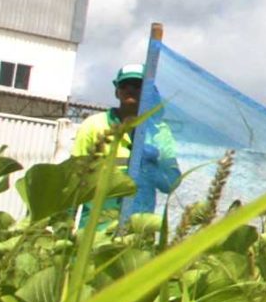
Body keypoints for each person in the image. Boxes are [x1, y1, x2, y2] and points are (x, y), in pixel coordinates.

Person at [72, 66, 183, 222]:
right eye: (124, 85)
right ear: (117, 91)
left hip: (138, 228)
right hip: (97, 227)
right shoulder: (93, 125)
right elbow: (74, 178)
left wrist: (149, 168)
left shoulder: (160, 131)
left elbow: (171, 182)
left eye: (137, 85)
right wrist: (65, 225)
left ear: (148, 91)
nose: (130, 90)